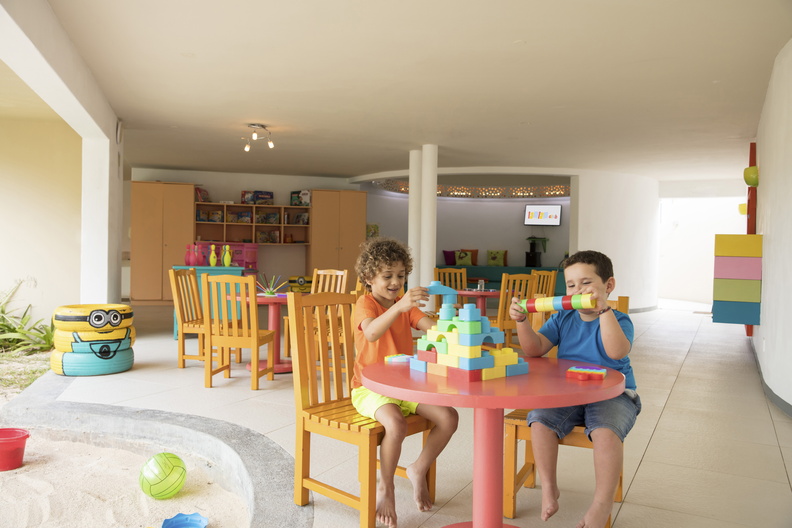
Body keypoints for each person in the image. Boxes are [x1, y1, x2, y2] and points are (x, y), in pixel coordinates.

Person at [509, 250, 640, 528]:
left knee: (605, 432)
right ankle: (549, 487)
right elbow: (535, 350)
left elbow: (616, 352)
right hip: (569, 394)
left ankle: (601, 504)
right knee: (539, 421)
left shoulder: (619, 320)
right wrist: (521, 321)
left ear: (608, 285)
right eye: (570, 285)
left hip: (614, 396)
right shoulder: (563, 318)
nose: (577, 291)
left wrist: (604, 311)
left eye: (586, 283)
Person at [352, 237, 459, 528]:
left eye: (400, 276)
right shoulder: (365, 304)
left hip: (404, 388)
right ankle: (386, 487)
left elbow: (433, 329)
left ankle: (418, 468)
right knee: (396, 424)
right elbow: (371, 333)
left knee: (449, 417)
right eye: (387, 276)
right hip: (369, 389)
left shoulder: (404, 306)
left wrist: (453, 325)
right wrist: (399, 308)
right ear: (368, 277)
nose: (395, 282)